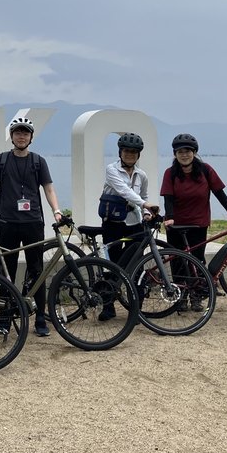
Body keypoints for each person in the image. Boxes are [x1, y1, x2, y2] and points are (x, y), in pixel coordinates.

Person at [0, 116, 63, 337]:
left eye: (25, 133)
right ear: (12, 136)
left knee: (37, 271)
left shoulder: (38, 161)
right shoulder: (1, 160)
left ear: (31, 137)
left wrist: (56, 211)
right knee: (7, 272)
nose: (21, 136)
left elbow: (49, 189)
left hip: (33, 222)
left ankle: (41, 318)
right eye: (17, 132)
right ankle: (5, 319)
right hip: (6, 222)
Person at [160, 134, 227, 311]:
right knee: (178, 260)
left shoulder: (205, 170)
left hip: (198, 223)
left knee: (196, 260)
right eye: (180, 152)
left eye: (187, 151)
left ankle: (196, 296)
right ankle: (180, 297)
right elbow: (168, 198)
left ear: (194, 152)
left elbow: (219, 192)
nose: (184, 155)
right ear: (175, 154)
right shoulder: (170, 173)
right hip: (176, 224)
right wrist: (170, 216)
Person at [97, 132, 156, 320]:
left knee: (137, 266)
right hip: (113, 223)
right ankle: (108, 307)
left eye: (134, 152)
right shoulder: (111, 169)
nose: (130, 154)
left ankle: (135, 309)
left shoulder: (142, 175)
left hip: (134, 223)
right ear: (120, 152)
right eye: (126, 151)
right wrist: (145, 205)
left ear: (138, 155)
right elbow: (123, 191)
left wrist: (146, 213)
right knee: (111, 264)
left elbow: (143, 196)